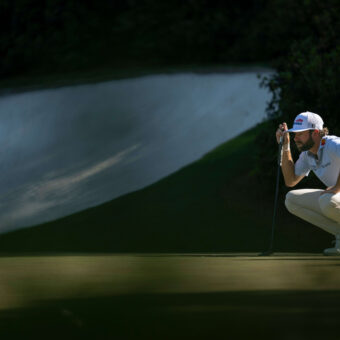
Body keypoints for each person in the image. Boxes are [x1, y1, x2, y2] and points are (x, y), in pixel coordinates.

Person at [276, 111, 340, 255]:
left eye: (300, 134)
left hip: (334, 196)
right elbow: (291, 180)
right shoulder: (307, 155)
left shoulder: (332, 143)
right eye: (294, 134)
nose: (295, 138)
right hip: (336, 197)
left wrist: (337, 187)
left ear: (315, 133)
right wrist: (285, 147)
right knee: (291, 199)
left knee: (326, 201)